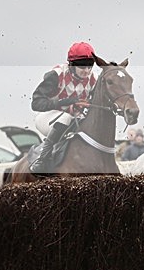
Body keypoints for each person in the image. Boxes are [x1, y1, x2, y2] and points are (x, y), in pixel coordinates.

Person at [28, 41, 97, 174]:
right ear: (71, 64)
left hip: (75, 118)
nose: (87, 71)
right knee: (65, 118)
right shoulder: (56, 75)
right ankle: (42, 159)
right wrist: (66, 102)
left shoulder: (93, 79)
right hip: (48, 117)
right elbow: (36, 103)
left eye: (90, 66)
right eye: (82, 67)